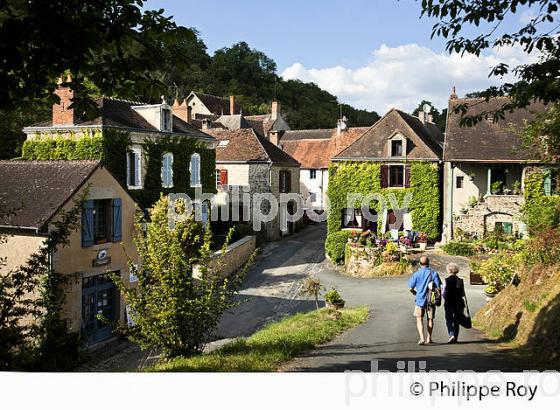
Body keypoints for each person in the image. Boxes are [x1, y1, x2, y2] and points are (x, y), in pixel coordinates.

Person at [408, 256, 441, 345]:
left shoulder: (416, 274)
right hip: (431, 300)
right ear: (428, 263)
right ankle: (429, 338)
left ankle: (422, 338)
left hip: (420, 299)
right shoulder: (433, 273)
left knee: (419, 319)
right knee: (430, 319)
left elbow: (410, 288)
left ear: (420, 264)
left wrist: (415, 293)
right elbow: (438, 287)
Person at [442, 262, 465, 344]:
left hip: (449, 303)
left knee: (448, 319)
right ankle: (456, 338)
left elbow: (443, 293)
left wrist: (445, 298)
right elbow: (462, 294)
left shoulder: (446, 280)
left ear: (448, 270)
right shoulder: (460, 281)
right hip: (459, 303)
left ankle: (451, 335)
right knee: (456, 321)